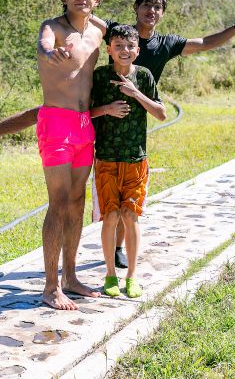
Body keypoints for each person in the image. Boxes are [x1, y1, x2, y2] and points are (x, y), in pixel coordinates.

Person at [0, 0, 235, 269]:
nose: (151, 11)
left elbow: (205, 42)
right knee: (47, 113)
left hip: (128, 117)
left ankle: (115, 250)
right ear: (136, 9)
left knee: (122, 189)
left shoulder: (165, 44)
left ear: (162, 13)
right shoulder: (117, 32)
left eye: (157, 7)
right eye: (146, 5)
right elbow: (82, 11)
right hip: (94, 108)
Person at [35, 0, 104, 310]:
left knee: (77, 202)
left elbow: (101, 20)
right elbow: (44, 45)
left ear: (97, 0)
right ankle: (50, 287)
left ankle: (71, 277)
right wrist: (51, 55)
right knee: (59, 203)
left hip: (84, 125)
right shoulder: (53, 27)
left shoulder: (98, 32)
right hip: (57, 123)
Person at [90, 24, 166, 298]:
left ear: (138, 50)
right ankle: (110, 274)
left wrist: (135, 93)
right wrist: (107, 109)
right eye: (118, 46)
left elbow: (161, 114)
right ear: (109, 49)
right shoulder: (99, 76)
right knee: (110, 216)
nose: (124, 51)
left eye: (129, 46)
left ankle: (132, 277)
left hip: (136, 158)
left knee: (131, 217)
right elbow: (85, 112)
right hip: (106, 157)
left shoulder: (144, 76)